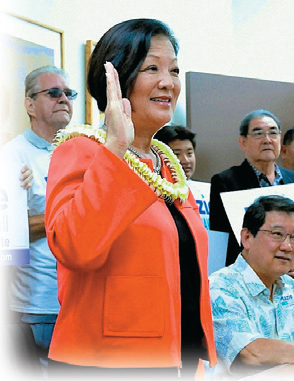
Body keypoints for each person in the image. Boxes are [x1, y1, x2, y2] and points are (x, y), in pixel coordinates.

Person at [45, 19, 217, 380]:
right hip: (105, 362)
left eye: (174, 70)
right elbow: (75, 248)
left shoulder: (168, 167)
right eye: (151, 68)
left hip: (179, 358)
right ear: (118, 78)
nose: (168, 82)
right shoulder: (83, 151)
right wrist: (117, 147)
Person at [0, 65, 77, 376]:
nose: (64, 99)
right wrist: (77, 214)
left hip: (82, 297)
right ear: (30, 104)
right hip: (40, 303)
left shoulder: (78, 150)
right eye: (53, 93)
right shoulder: (12, 156)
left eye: (69, 93)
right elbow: (9, 233)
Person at [209, 195, 294, 378]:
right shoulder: (221, 287)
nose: (287, 246)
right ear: (247, 237)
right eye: (277, 234)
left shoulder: (292, 287)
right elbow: (250, 353)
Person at [209, 109, 294, 267]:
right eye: (258, 133)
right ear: (243, 142)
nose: (267, 140)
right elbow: (223, 241)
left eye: (273, 133)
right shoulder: (226, 181)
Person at [154, 125, 210, 229]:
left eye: (189, 153)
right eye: (177, 154)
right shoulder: (156, 193)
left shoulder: (208, 191)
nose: (185, 160)